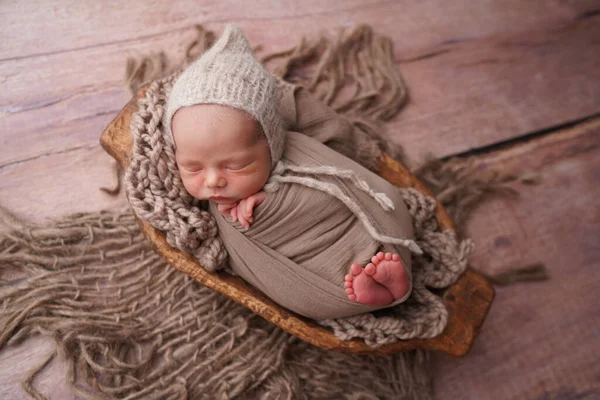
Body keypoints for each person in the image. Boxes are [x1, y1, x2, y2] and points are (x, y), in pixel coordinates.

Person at [163, 24, 422, 320]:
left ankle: (384, 271)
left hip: (342, 222)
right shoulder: (205, 205)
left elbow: (342, 178)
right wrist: (248, 217)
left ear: (271, 145)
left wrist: (273, 197)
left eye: (236, 165)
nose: (213, 181)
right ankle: (371, 288)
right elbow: (237, 257)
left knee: (371, 212)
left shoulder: (297, 150)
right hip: (307, 269)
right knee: (307, 276)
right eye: (192, 168)